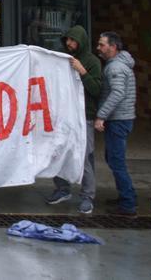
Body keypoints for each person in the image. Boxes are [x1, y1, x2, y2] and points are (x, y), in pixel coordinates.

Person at [46, 25, 102, 214]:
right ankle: (62, 189)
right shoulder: (63, 58)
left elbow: (97, 90)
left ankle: (87, 196)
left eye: (72, 40)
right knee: (59, 152)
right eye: (67, 40)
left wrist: (82, 71)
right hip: (64, 115)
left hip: (84, 116)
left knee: (84, 156)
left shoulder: (92, 62)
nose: (69, 44)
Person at [95, 31, 137, 216]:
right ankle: (126, 197)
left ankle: (128, 203)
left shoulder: (115, 68)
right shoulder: (117, 64)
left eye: (102, 44)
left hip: (118, 119)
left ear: (113, 47)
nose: (99, 47)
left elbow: (117, 93)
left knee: (116, 161)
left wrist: (101, 115)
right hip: (121, 118)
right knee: (113, 158)